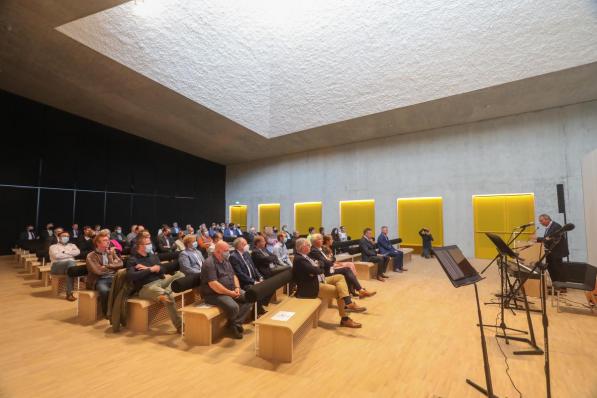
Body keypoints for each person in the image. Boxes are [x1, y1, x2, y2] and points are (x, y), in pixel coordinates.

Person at [293, 238, 364, 328]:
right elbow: (317, 270)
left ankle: (348, 301)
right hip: (311, 286)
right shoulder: (299, 259)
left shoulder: (306, 256)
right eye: (307, 245)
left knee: (340, 277)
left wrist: (318, 267)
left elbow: (319, 265)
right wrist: (319, 268)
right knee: (340, 292)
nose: (310, 246)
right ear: (302, 247)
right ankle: (345, 319)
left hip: (318, 279)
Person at [126, 231, 185, 332]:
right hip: (145, 287)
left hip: (160, 282)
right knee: (168, 296)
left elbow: (162, 269)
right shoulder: (133, 260)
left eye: (150, 243)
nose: (150, 246)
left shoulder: (153, 256)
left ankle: (165, 291)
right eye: (148, 244)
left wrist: (149, 268)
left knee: (181, 275)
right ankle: (180, 326)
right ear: (140, 246)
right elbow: (131, 276)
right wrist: (150, 270)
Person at [200, 241, 252, 339]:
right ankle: (234, 325)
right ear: (218, 251)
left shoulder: (225, 260)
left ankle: (235, 323)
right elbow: (214, 284)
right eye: (226, 250)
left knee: (249, 297)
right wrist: (230, 293)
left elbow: (234, 276)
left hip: (230, 289)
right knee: (234, 307)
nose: (228, 252)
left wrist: (237, 288)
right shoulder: (209, 263)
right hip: (213, 294)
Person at [311, 234, 375, 298]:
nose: (322, 240)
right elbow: (327, 262)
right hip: (327, 272)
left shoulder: (320, 249)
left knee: (348, 269)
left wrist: (330, 260)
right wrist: (330, 261)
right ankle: (357, 290)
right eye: (320, 239)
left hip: (330, 268)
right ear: (315, 241)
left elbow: (332, 259)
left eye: (322, 239)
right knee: (347, 269)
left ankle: (357, 290)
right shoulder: (315, 250)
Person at [85, 230, 123, 316]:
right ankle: (106, 312)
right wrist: (113, 266)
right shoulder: (91, 256)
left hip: (112, 276)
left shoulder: (110, 252)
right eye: (105, 240)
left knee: (125, 287)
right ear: (98, 243)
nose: (108, 242)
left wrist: (107, 266)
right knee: (105, 291)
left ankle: (118, 309)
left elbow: (121, 264)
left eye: (108, 239)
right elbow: (97, 271)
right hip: (98, 280)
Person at [229, 237, 269, 316]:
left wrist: (260, 277)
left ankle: (259, 308)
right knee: (257, 290)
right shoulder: (233, 256)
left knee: (266, 286)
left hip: (253, 279)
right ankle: (255, 314)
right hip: (244, 283)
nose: (247, 245)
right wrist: (253, 282)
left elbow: (254, 267)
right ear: (240, 245)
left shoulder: (246, 253)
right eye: (245, 244)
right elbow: (240, 274)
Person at [536, 214, 569, 285]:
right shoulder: (549, 227)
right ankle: (555, 284)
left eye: (541, 221)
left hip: (557, 251)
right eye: (540, 221)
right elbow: (547, 238)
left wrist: (537, 239)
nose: (541, 223)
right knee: (552, 268)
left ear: (547, 219)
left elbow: (550, 239)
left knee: (558, 269)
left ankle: (562, 286)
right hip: (551, 251)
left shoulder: (556, 226)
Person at [49, 230, 80, 301]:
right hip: (56, 267)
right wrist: (70, 254)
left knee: (70, 269)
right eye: (64, 236)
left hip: (69, 267)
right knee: (70, 263)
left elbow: (78, 252)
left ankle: (69, 294)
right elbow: (57, 256)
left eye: (67, 236)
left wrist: (65, 252)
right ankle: (70, 293)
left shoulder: (72, 245)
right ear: (59, 237)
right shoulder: (53, 246)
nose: (66, 237)